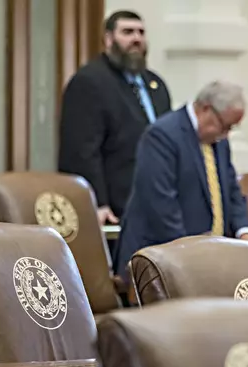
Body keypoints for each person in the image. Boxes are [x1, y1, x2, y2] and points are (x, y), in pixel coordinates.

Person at [114, 81, 248, 279]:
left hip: (205, 263)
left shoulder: (218, 141)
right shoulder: (162, 136)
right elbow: (161, 205)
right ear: (206, 109)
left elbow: (231, 190)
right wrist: (192, 254)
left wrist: (245, 231)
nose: (226, 134)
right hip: (158, 261)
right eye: (224, 126)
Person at [58, 10, 172, 225]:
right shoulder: (89, 82)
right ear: (108, 39)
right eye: (127, 32)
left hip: (157, 203)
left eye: (141, 32)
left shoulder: (156, 85)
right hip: (115, 209)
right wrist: (97, 202)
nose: (136, 39)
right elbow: (81, 152)